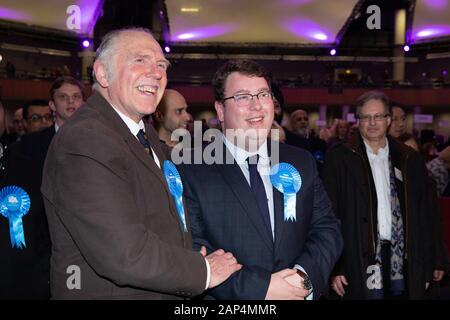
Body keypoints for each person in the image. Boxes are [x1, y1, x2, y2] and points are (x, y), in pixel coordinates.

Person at [41, 27, 241, 299]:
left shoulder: (143, 134)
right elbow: (125, 254)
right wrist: (203, 270)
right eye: (140, 60)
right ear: (102, 74)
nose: (156, 72)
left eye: (161, 64)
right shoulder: (85, 140)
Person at [179, 59, 343, 299]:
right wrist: (262, 289)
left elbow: (327, 229)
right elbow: (193, 246)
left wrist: (302, 278)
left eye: (263, 94)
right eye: (243, 97)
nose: (257, 106)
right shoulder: (191, 167)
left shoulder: (302, 162)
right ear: (220, 110)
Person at [323, 91, 435, 299]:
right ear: (358, 121)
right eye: (365, 117)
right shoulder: (339, 158)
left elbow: (425, 216)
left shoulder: (409, 159)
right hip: (357, 259)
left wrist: (428, 264)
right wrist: (335, 267)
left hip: (404, 261)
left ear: (389, 120)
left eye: (379, 116)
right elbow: (329, 216)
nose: (372, 122)